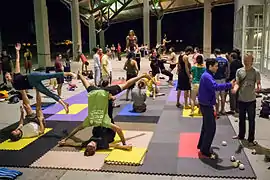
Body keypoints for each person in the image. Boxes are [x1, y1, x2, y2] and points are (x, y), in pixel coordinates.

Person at [59, 72, 151, 156]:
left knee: (88, 87)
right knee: (126, 85)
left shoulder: (90, 125)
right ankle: (142, 76)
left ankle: (81, 76)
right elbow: (118, 131)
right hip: (107, 121)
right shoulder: (102, 142)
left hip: (97, 96)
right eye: (92, 147)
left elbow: (77, 135)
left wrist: (66, 140)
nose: (90, 145)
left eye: (88, 147)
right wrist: (124, 145)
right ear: (95, 148)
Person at [5, 43, 75, 113]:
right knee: (48, 93)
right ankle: (64, 104)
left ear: (10, 75)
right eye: (6, 78)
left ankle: (69, 73)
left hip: (32, 76)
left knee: (51, 75)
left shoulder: (16, 75)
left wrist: (17, 51)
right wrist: (26, 104)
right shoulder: (15, 86)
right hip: (34, 84)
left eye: (7, 76)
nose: (7, 78)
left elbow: (17, 60)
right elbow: (23, 93)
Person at [197, 58, 233, 158]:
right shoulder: (207, 76)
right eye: (216, 66)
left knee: (206, 126)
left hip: (206, 103)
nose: (217, 68)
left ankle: (202, 145)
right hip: (206, 104)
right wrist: (229, 85)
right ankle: (205, 150)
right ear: (210, 66)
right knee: (211, 128)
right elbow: (215, 87)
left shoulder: (207, 75)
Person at [232, 54, 261, 146]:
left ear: (252, 61)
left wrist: (258, 88)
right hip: (241, 99)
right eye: (245, 60)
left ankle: (251, 139)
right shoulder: (239, 71)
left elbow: (258, 83)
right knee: (241, 119)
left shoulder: (255, 72)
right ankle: (241, 135)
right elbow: (237, 83)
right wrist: (235, 89)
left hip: (251, 100)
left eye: (248, 60)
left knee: (251, 120)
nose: (246, 62)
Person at [213, 48, 229, 115]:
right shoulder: (225, 60)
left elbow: (213, 70)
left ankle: (217, 111)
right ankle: (222, 109)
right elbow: (227, 70)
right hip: (223, 79)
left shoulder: (215, 60)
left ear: (215, 53)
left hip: (216, 79)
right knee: (222, 96)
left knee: (216, 96)